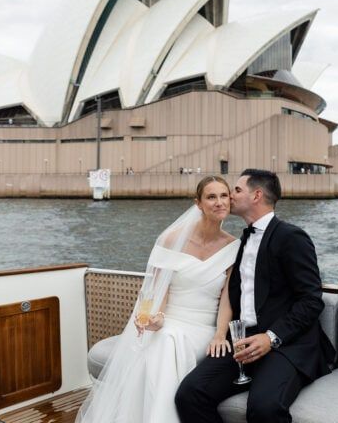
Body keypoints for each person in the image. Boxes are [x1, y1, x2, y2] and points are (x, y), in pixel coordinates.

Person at [176, 169, 336, 422]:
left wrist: (271, 338)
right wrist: (222, 334)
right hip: (243, 341)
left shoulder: (291, 236)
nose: (230, 194)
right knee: (190, 394)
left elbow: (311, 300)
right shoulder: (242, 240)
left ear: (257, 195)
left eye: (237, 190)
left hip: (286, 345)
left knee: (264, 409)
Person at [76, 176, 240, 422]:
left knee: (166, 341)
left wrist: (219, 334)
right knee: (164, 338)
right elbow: (159, 290)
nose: (219, 202)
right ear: (198, 203)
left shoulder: (233, 246)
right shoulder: (171, 240)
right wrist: (157, 317)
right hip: (169, 320)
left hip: (203, 327)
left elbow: (227, 298)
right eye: (211, 197)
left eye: (224, 196)